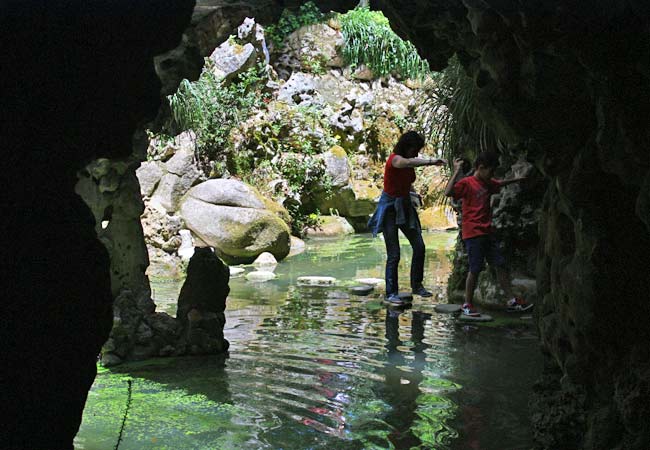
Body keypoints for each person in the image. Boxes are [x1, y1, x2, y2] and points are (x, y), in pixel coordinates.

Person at [444, 151, 533, 316]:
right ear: (481, 167)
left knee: (500, 264)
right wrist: (456, 171)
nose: (492, 175)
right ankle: (467, 304)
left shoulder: (488, 183)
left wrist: (517, 179)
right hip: (473, 233)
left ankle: (511, 301)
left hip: (487, 232)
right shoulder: (467, 183)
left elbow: (500, 183)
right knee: (475, 268)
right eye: (490, 171)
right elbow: (448, 192)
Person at [368, 131, 446, 305]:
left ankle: (417, 285)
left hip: (404, 205)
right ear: (407, 146)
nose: (416, 154)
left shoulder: (408, 163)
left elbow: (406, 179)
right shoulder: (395, 159)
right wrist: (432, 161)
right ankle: (391, 293)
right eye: (415, 149)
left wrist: (412, 193)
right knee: (394, 253)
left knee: (419, 246)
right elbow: (407, 163)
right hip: (389, 208)